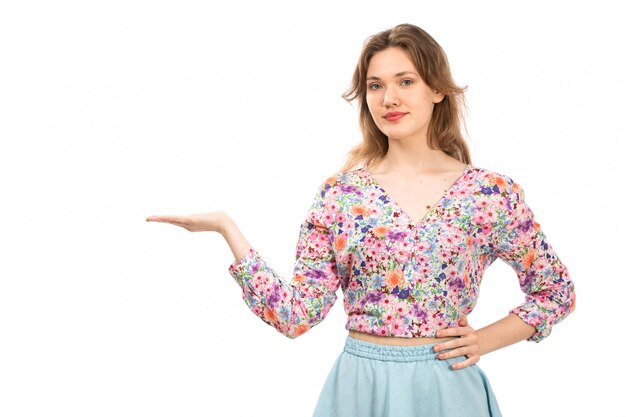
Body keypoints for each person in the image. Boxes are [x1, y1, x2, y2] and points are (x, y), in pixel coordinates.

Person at [146, 23, 576, 417]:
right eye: (375, 85)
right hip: (359, 389)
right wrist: (227, 228)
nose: (388, 98)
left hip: (446, 390)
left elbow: (556, 291)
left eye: (405, 81)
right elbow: (295, 315)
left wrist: (483, 340)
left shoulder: (489, 193)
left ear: (437, 90)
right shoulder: (340, 194)